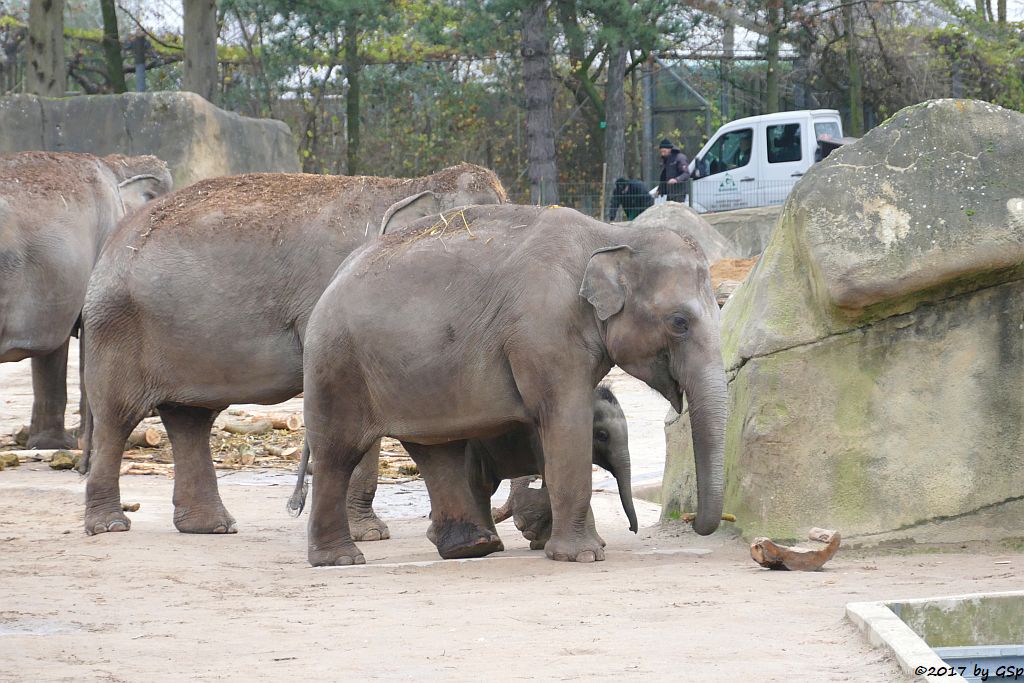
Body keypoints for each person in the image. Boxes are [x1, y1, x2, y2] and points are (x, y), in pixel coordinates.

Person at [657, 138, 689, 203]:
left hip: (679, 192)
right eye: (661, 152)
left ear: (670, 149)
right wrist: (660, 190)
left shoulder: (680, 158)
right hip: (670, 193)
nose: (662, 154)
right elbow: (663, 177)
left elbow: (686, 174)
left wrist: (676, 180)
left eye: (664, 151)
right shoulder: (666, 160)